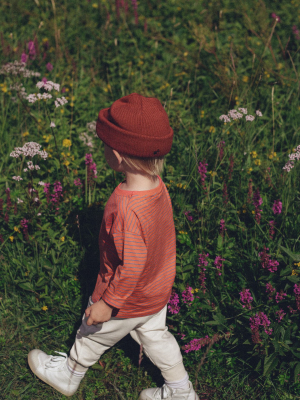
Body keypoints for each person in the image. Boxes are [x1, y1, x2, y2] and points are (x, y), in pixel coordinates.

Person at [28, 93, 199, 400]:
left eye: (104, 145)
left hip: (126, 300)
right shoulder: (158, 188)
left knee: (91, 334)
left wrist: (107, 304)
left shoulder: (126, 209)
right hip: (156, 290)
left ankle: (68, 375)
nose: (102, 149)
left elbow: (131, 264)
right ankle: (181, 390)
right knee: (156, 337)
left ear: (118, 156)